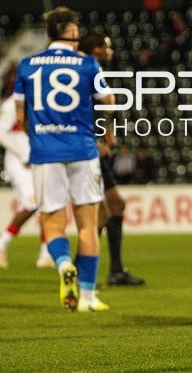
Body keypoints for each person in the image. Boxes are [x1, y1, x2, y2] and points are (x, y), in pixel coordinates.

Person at [13, 6, 113, 312]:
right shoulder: (88, 64)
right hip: (82, 150)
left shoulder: (27, 65)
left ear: (48, 34)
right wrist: (100, 129)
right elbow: (108, 103)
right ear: (72, 33)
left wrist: (40, 134)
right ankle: (88, 296)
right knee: (87, 223)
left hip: (46, 153)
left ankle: (63, 266)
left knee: (53, 224)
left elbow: (20, 115)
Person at [77, 32, 145, 286]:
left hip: (91, 147)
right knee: (107, 209)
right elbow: (78, 109)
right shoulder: (85, 71)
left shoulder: (86, 70)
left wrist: (103, 128)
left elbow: (95, 108)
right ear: (96, 49)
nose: (110, 51)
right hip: (85, 150)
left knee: (111, 209)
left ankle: (106, 270)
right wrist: (93, 139)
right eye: (106, 47)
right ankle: (85, 269)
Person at [0, 87, 54, 269]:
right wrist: (22, 154)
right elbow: (0, 134)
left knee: (45, 205)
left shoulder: (39, 102)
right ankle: (1, 242)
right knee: (32, 203)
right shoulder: (11, 105)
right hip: (19, 162)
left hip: (37, 159)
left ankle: (45, 255)